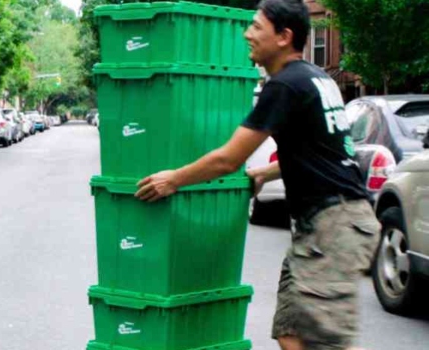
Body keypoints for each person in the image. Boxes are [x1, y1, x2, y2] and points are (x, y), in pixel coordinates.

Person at [134, 0, 381, 349]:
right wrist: (266, 171)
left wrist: (172, 179)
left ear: (283, 36)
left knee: (324, 343)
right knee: (290, 333)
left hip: (333, 224)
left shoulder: (284, 85)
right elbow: (322, 151)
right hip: (329, 221)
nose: (247, 34)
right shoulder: (316, 77)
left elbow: (227, 159)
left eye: (256, 27)